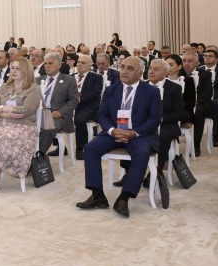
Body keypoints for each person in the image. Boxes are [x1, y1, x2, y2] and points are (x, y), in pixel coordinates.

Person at [76, 57, 162, 218]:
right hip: (114, 132)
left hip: (139, 135)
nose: (124, 71)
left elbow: (155, 119)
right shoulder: (111, 90)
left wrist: (134, 133)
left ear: (140, 74)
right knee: (90, 148)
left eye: (130, 68)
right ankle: (97, 195)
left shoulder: (151, 91)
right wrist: (111, 130)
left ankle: (124, 198)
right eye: (123, 67)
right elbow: (102, 115)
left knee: (142, 153)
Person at [117, 59, 184, 209]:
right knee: (127, 133)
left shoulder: (174, 88)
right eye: (150, 68)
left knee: (163, 136)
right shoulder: (140, 86)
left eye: (156, 69)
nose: (151, 71)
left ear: (165, 73)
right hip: (142, 124)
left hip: (166, 124)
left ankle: (155, 173)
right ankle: (129, 172)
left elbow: (180, 112)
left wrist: (159, 118)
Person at [0, 56, 40, 192]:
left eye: (18, 68)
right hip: (1, 123)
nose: (13, 71)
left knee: (2, 138)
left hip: (23, 126)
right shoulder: (5, 86)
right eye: (12, 68)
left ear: (26, 71)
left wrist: (3, 108)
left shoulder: (33, 88)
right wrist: (5, 113)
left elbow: (27, 109)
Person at [36, 53, 79, 156]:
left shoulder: (69, 80)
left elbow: (73, 100)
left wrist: (60, 112)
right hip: (39, 113)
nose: (47, 66)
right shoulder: (38, 80)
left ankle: (36, 157)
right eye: (45, 63)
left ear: (59, 65)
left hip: (58, 116)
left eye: (50, 63)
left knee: (48, 129)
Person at [72, 54, 103, 160]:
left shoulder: (96, 78)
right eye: (78, 62)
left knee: (80, 119)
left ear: (90, 66)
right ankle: (58, 146)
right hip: (71, 105)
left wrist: (79, 99)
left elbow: (95, 93)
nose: (79, 64)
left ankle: (80, 148)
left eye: (83, 63)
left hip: (88, 106)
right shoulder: (71, 77)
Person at [183, 51, 213, 157]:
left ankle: (196, 145)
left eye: (190, 61)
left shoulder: (205, 74)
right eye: (184, 61)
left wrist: (195, 101)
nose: (186, 64)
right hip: (183, 104)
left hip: (200, 103)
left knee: (198, 112)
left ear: (197, 63)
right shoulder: (178, 74)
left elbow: (207, 92)